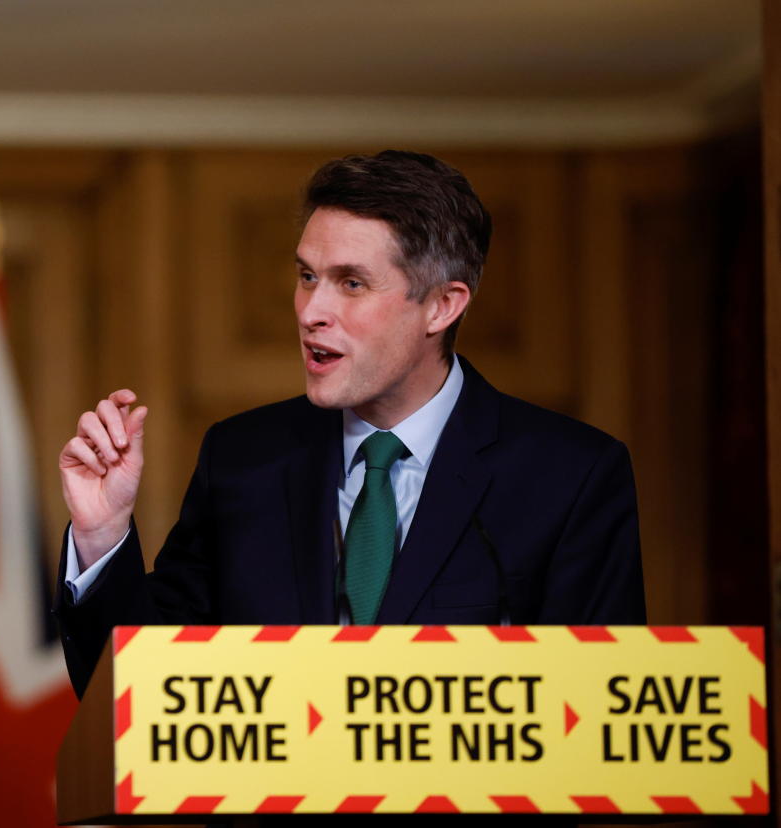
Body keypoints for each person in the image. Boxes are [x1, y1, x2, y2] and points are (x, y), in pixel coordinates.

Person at [54, 150, 645, 697]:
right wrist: (102, 534)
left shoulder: (571, 476)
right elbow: (144, 689)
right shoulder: (242, 460)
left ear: (443, 305)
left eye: (351, 283)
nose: (311, 311)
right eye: (308, 276)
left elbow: (598, 713)